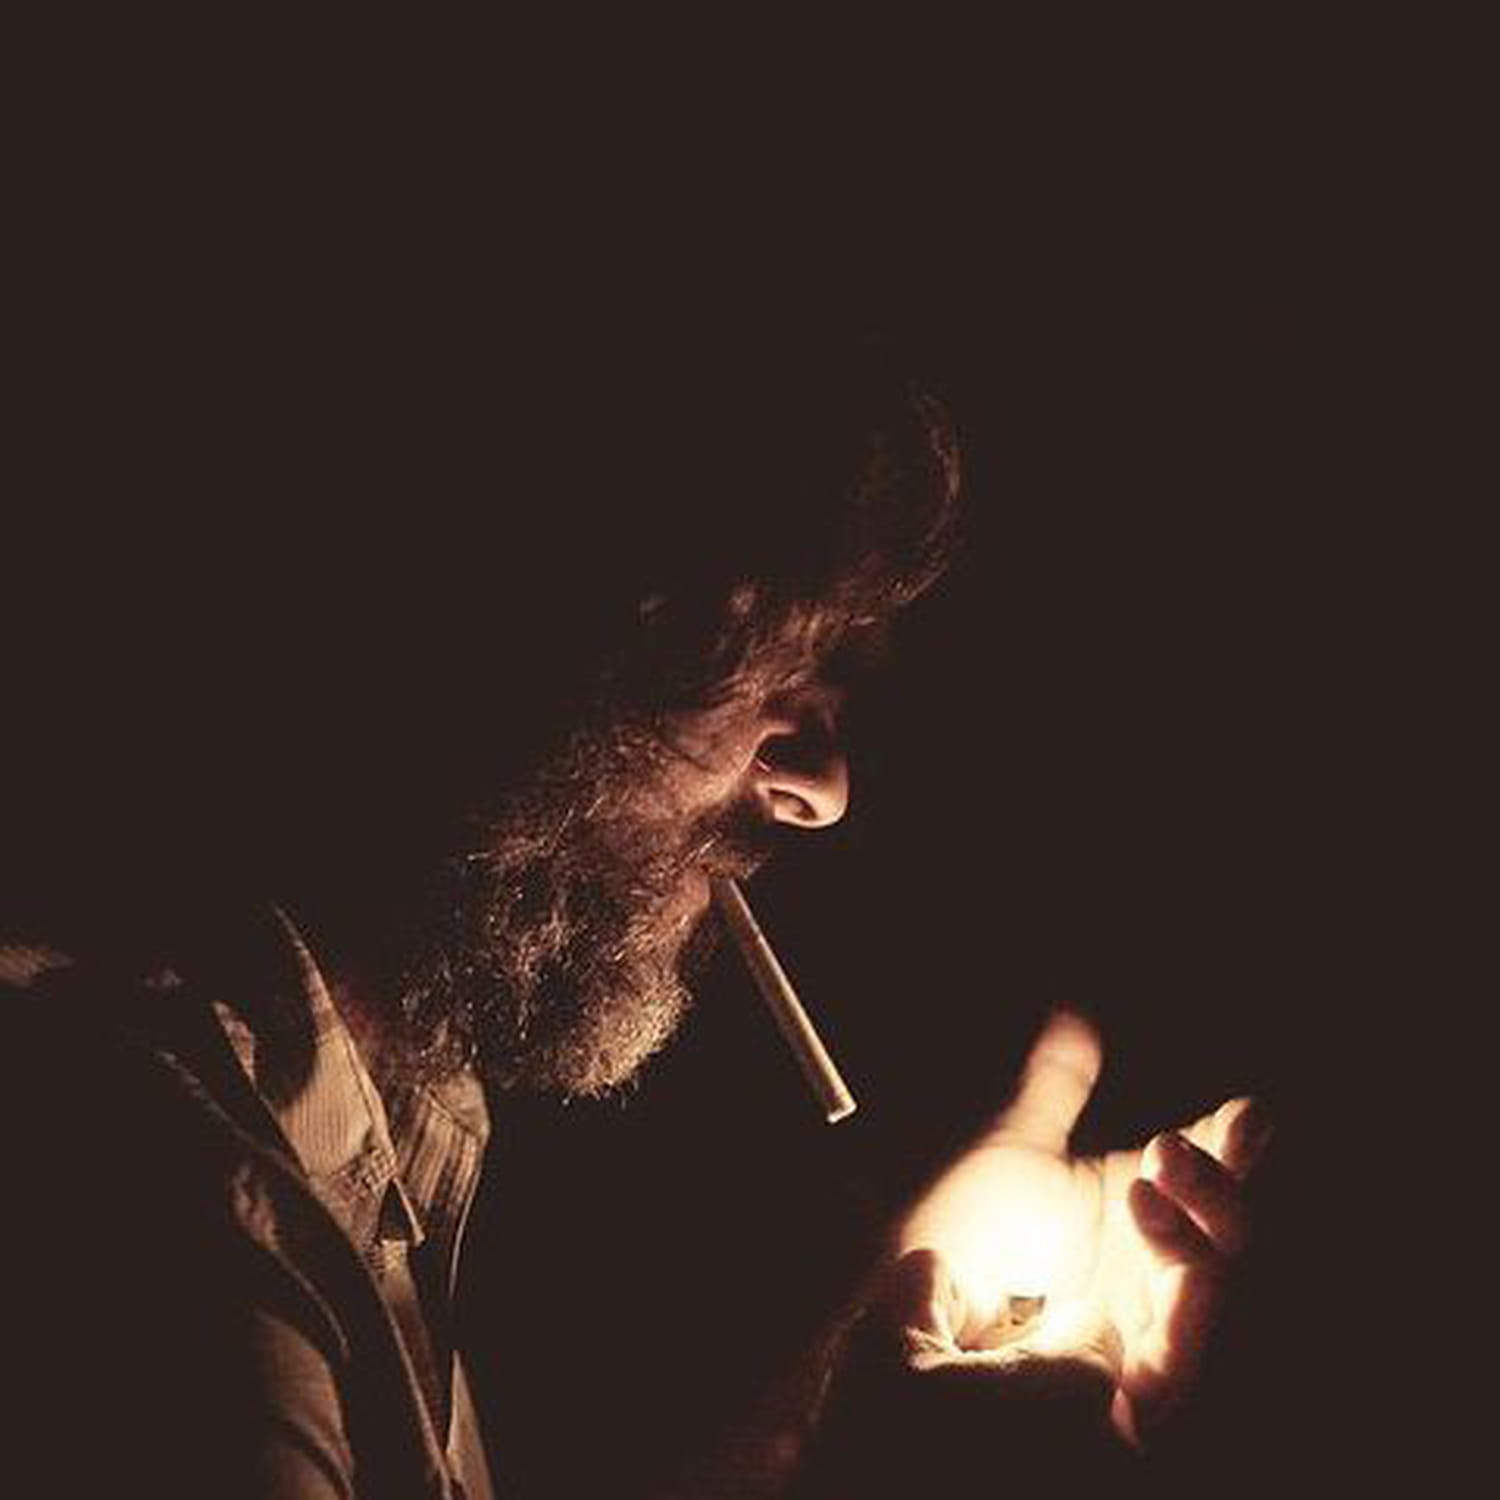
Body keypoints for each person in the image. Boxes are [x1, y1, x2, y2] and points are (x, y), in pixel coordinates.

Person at [3, 325, 1267, 1497]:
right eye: (767, 673)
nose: (823, 790)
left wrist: (837, 1404)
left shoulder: (391, 1112)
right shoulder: (148, 1207)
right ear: (524, 627)